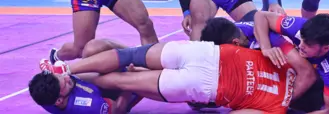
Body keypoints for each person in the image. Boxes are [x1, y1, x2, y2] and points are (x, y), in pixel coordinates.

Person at [40, 39, 310, 113]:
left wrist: (263, 45)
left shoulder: (286, 61)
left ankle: (65, 70)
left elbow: (263, 21)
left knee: (128, 56)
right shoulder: (277, 108)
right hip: (205, 86)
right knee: (124, 80)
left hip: (206, 53)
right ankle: (71, 81)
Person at [199, 14, 329, 113]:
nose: (299, 46)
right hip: (318, 71)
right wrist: (265, 45)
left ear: (324, 48)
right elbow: (260, 15)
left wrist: (276, 103)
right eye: (301, 40)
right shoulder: (300, 30)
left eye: (306, 44)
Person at [30, 39, 142, 113]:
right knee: (107, 79)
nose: (67, 77)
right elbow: (118, 109)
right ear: (59, 100)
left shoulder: (45, 95)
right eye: (65, 82)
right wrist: (129, 80)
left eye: (60, 76)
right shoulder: (89, 105)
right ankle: (143, 66)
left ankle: (136, 54)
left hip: (96, 86)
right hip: (124, 94)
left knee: (91, 48)